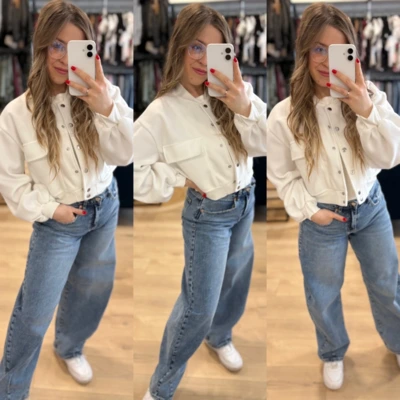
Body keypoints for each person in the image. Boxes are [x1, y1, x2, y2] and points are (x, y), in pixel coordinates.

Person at [0, 1, 133, 399]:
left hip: (105, 206)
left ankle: (70, 346)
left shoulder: (106, 95)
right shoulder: (16, 115)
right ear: (41, 46)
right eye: (56, 45)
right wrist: (50, 210)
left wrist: (105, 108)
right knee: (33, 314)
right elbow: (11, 182)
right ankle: (10, 390)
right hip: (57, 222)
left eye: (75, 47)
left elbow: (126, 154)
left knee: (92, 290)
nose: (63, 57)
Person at [133, 4, 266, 399]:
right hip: (207, 215)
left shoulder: (238, 93)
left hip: (245, 202)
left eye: (214, 50)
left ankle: (220, 336)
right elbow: (130, 172)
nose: (204, 59)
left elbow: (267, 145)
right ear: (179, 48)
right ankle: (161, 387)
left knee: (236, 282)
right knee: (197, 307)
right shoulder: (161, 113)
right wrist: (177, 178)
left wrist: (243, 106)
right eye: (195, 47)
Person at [267, 2, 400, 391]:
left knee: (387, 284)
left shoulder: (371, 97)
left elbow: (391, 157)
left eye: (337, 49)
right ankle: (332, 351)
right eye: (318, 49)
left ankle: (397, 341)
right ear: (304, 52)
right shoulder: (285, 116)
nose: (326, 60)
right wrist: (311, 212)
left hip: (370, 207)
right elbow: (282, 176)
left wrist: (365, 110)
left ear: (353, 53)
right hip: (322, 219)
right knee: (322, 293)